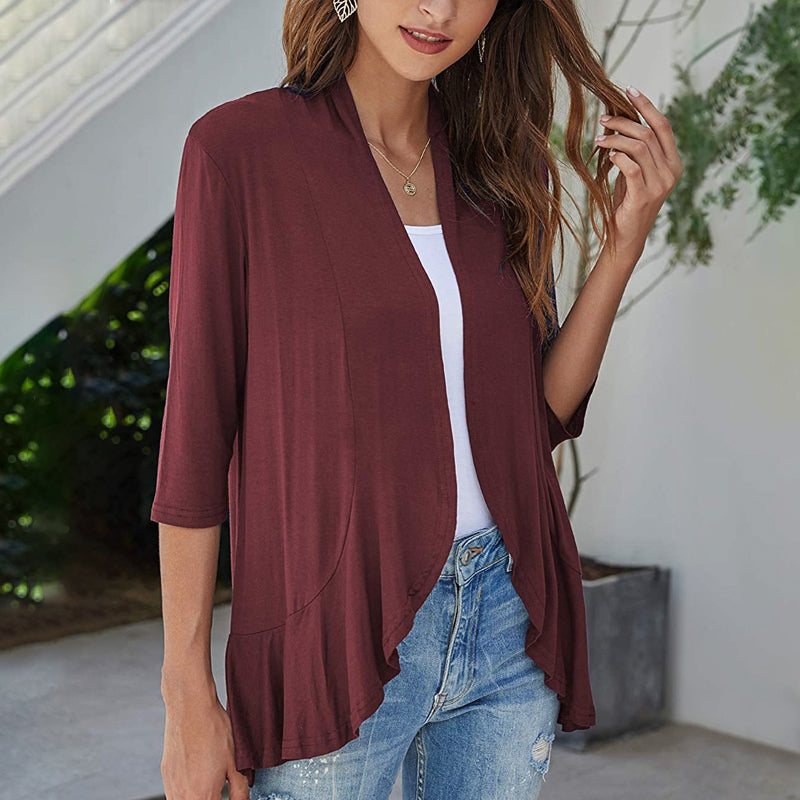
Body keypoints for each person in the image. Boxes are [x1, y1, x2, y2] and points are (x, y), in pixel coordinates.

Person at [152, 1, 683, 798]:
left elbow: (533, 417)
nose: (441, 9)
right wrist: (186, 692)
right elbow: (196, 436)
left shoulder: (501, 164)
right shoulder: (239, 151)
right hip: (332, 634)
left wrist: (623, 244)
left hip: (507, 619)